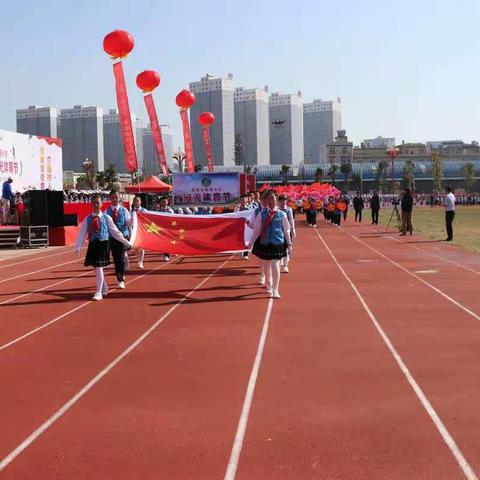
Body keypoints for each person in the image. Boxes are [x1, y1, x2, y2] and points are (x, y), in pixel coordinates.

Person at [76, 194, 131, 301]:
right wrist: (78, 245)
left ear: (101, 204)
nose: (95, 205)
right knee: (96, 267)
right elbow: (82, 232)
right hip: (93, 244)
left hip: (103, 244)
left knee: (99, 267)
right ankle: (104, 286)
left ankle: (98, 292)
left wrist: (125, 241)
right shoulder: (88, 218)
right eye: (93, 203)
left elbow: (115, 232)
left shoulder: (107, 218)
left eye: (98, 203)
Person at [250, 190, 292, 299]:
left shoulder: (281, 214)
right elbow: (256, 230)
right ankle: (269, 283)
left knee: (275, 265)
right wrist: (250, 243)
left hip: (277, 242)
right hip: (265, 243)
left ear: (276, 199)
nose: (270, 201)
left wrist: (289, 244)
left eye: (272, 198)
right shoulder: (261, 214)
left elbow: (287, 230)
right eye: (268, 199)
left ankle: (275, 289)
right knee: (266, 266)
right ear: (266, 201)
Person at [106, 190, 131, 288]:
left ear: (119, 198)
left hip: (122, 236)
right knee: (116, 258)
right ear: (110, 199)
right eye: (112, 198)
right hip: (112, 238)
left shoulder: (124, 210)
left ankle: (121, 278)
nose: (115, 200)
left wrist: (135, 218)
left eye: (116, 197)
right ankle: (120, 276)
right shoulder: (106, 212)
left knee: (121, 257)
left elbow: (129, 223)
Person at [278, 194, 295, 273]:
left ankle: (285, 265)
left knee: (287, 247)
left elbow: (291, 220)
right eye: (281, 201)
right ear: (278, 202)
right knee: (279, 248)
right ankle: (279, 262)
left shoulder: (289, 210)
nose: (283, 202)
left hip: (287, 232)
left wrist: (293, 230)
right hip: (278, 232)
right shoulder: (276, 210)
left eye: (284, 200)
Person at [130, 196, 147, 268]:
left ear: (140, 202)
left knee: (141, 247)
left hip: (142, 231)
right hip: (133, 230)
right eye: (135, 201)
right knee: (135, 247)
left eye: (137, 201)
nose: (136, 202)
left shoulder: (144, 210)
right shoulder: (131, 211)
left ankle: (140, 261)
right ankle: (138, 257)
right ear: (133, 202)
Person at [157, 196, 174, 261]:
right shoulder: (158, 210)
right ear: (160, 202)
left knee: (168, 241)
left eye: (165, 201)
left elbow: (173, 217)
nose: (164, 202)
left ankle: (167, 253)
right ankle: (166, 254)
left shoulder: (170, 209)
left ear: (167, 202)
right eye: (162, 201)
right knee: (163, 241)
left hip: (168, 228)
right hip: (161, 228)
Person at [235, 195, 252, 260]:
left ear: (246, 201)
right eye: (242, 200)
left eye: (244, 200)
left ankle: (246, 253)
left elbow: (250, 217)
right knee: (239, 239)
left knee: (246, 240)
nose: (243, 201)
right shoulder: (237, 208)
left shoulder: (249, 208)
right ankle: (240, 250)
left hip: (246, 226)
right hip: (238, 226)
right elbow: (234, 215)